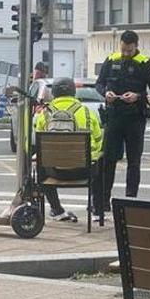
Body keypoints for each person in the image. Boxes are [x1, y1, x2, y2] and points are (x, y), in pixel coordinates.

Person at [94, 30, 150, 220]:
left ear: (136, 47)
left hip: (135, 118)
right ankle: (104, 201)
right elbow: (99, 84)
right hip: (114, 116)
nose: (126, 53)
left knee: (134, 162)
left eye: (129, 50)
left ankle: (131, 199)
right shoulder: (111, 59)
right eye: (123, 49)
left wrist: (138, 96)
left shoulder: (145, 64)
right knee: (108, 160)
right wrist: (105, 92)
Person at [34, 77, 103, 223]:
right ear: (74, 92)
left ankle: (57, 210)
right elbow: (98, 142)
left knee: (40, 166)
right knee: (101, 163)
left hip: (53, 172)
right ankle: (96, 210)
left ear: (54, 93)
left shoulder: (44, 115)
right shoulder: (87, 113)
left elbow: (39, 145)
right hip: (83, 171)